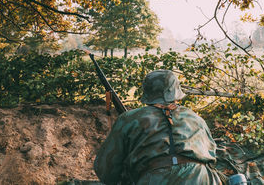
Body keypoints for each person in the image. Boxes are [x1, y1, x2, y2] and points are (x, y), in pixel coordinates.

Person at [94, 70, 222, 185]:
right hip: (201, 178)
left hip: (154, 179)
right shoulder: (195, 118)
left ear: (147, 92)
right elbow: (212, 156)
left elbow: (106, 170)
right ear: (176, 92)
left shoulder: (129, 119)